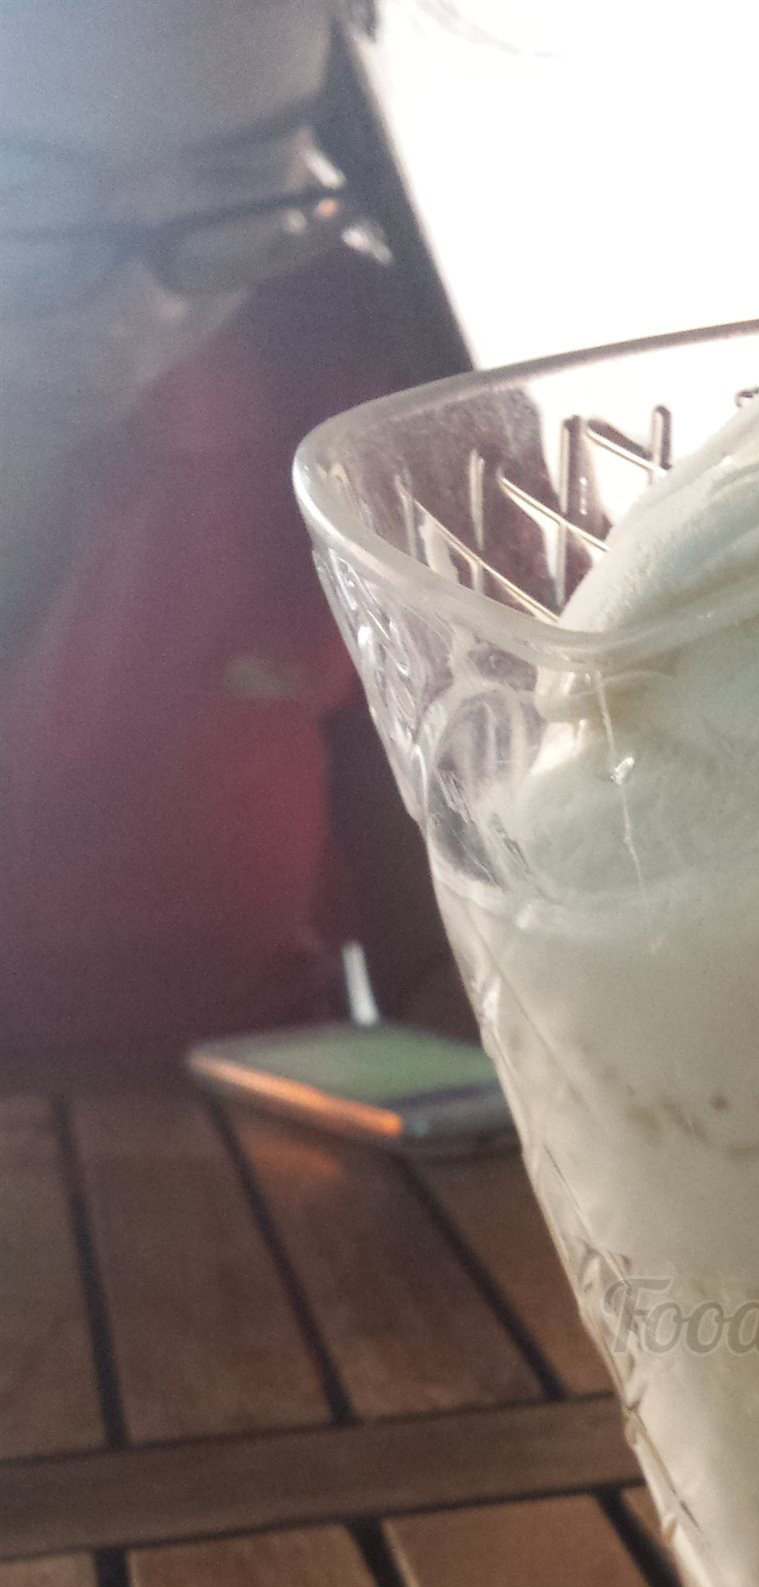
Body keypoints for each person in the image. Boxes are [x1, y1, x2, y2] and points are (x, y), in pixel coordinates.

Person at [0, 0, 450, 1062]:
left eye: (240, 178)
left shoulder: (355, 395)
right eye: (22, 192)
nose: (145, 307)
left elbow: (476, 964)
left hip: (252, 1151)